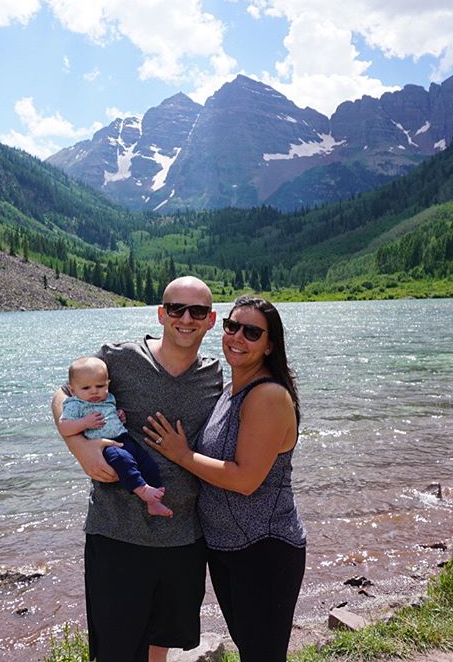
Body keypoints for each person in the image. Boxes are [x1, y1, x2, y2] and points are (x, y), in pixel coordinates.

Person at [52, 276, 223, 662]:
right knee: (116, 649)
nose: (186, 319)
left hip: (182, 535)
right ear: (162, 314)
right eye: (176, 309)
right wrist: (81, 449)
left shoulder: (213, 373)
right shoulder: (120, 357)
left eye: (197, 311)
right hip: (116, 531)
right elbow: (60, 395)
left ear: (211, 320)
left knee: (160, 642)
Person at [144, 294, 306, 662]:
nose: (238, 337)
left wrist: (182, 455)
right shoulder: (230, 390)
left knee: (262, 654)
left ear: (269, 346)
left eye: (252, 332)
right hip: (227, 548)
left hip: (265, 549)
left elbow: (245, 479)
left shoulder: (267, 396)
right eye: (232, 327)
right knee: (251, 649)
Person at [59, 355, 172, 517]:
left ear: (108, 384)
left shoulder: (109, 398)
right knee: (123, 461)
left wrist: (118, 417)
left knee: (149, 464)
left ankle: (154, 503)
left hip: (124, 438)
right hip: (104, 445)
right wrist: (84, 423)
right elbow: (64, 427)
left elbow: (109, 415)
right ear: (72, 390)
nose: (94, 391)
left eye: (100, 386)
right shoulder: (75, 404)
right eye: (86, 388)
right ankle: (142, 490)